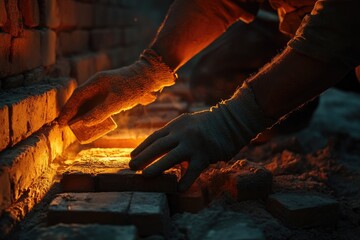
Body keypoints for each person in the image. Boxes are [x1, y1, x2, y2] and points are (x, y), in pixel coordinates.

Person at [59, 0, 360, 191]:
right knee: (217, 75)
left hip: (341, 26)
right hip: (304, 21)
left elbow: (343, 25)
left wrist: (233, 121)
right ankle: (300, 92)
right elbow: (215, 3)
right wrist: (149, 69)